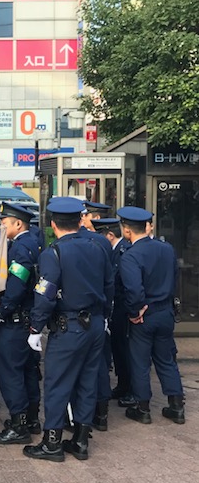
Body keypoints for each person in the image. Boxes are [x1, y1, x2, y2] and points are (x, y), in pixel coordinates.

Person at [23, 197, 114, 462]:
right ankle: (81, 440)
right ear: (80, 220)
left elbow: (46, 295)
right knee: (87, 381)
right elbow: (109, 286)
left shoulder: (53, 252)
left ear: (52, 224)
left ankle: (52, 443)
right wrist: (105, 316)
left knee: (57, 383)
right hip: (95, 324)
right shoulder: (99, 247)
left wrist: (35, 328)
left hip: (69, 326)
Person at [117, 206, 185, 425]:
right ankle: (176, 406)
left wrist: (135, 311)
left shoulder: (130, 255)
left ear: (127, 230)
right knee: (166, 360)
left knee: (140, 361)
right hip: (165, 311)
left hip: (144, 315)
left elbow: (133, 290)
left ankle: (142, 408)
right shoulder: (166, 248)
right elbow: (175, 277)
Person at [0, 203, 41, 444]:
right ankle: (31, 418)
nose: (2, 226)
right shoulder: (32, 243)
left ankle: (19, 425)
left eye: (5, 223)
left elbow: (17, 284)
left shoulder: (21, 248)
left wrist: (1, 311)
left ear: (18, 224)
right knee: (28, 370)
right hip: (28, 319)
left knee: (10, 373)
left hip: (16, 320)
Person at [91, 218, 134, 415]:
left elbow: (124, 284)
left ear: (109, 235)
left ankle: (130, 389)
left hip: (124, 308)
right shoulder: (116, 251)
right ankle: (123, 385)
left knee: (125, 350)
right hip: (116, 309)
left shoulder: (123, 251)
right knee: (117, 349)